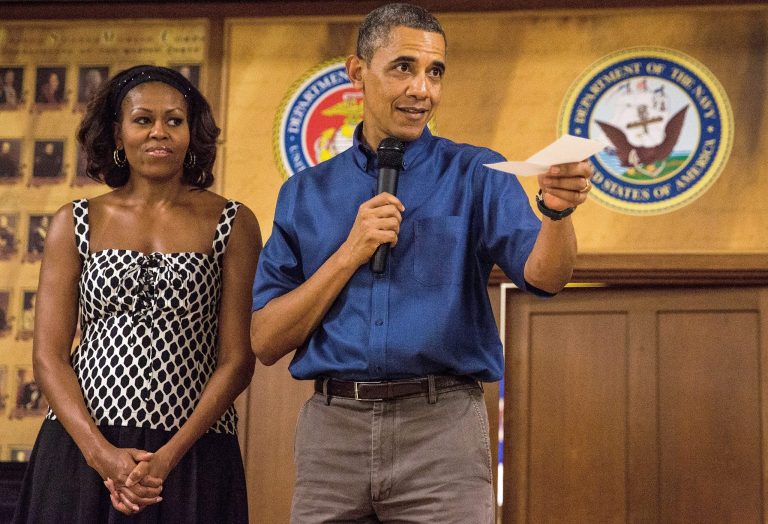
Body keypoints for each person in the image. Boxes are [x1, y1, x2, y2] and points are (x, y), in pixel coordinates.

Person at [250, 4, 594, 523]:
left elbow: (546, 277)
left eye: (435, 72)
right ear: (357, 71)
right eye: (403, 68)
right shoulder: (305, 192)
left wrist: (557, 213)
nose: (422, 90)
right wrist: (350, 252)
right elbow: (265, 341)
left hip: (442, 431)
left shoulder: (477, 172)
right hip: (332, 433)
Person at [13, 64, 261, 523]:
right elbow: (49, 357)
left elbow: (237, 360)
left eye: (174, 120)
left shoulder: (233, 222)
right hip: (83, 447)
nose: (158, 132)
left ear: (191, 132)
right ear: (118, 132)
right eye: (143, 119)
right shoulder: (75, 221)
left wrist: (167, 458)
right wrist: (101, 455)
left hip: (193, 451)